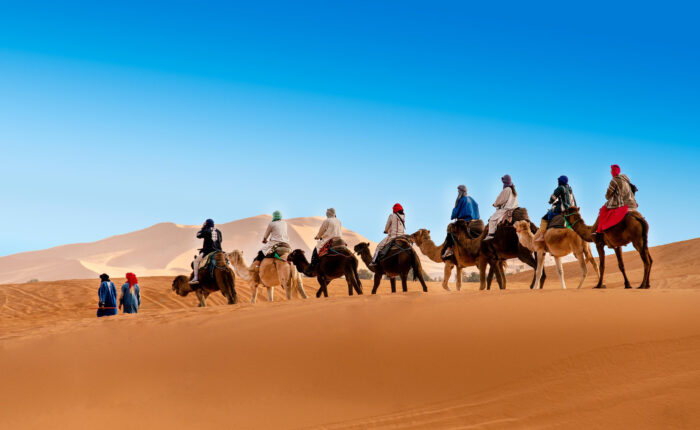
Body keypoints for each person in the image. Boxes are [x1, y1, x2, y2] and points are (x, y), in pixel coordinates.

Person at [594, 164, 638, 234]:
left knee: (603, 210)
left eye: (612, 170)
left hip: (623, 204)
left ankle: (599, 232)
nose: (611, 172)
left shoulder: (614, 180)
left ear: (614, 171)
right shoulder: (626, 179)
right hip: (633, 204)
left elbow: (608, 196)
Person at [535, 175, 577, 242]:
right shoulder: (570, 190)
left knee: (544, 218)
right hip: (570, 210)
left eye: (559, 180)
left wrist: (550, 201)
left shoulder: (560, 188)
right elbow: (574, 201)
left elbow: (553, 197)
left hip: (561, 209)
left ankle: (542, 236)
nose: (558, 181)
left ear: (560, 181)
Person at [442, 185, 480, 258]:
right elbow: (477, 207)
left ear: (461, 192)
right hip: (475, 221)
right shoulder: (472, 199)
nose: (458, 192)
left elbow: (456, 211)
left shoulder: (461, 199)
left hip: (465, 221)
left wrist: (452, 216)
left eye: (458, 191)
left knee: (450, 227)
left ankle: (449, 249)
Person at [305, 208, 342, 276]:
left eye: (327, 212)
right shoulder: (338, 221)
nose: (326, 213)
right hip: (339, 240)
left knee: (316, 250)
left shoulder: (327, 220)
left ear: (329, 213)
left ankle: (312, 267)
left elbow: (321, 230)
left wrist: (318, 236)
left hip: (330, 240)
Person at [484, 175, 519, 241]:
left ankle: (491, 234)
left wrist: (495, 204)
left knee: (492, 219)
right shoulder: (513, 190)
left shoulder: (507, 189)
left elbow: (500, 200)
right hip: (515, 209)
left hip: (507, 209)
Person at [370, 203, 406, 268]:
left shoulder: (392, 216)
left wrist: (386, 231)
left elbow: (387, 226)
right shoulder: (403, 216)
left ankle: (373, 261)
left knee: (379, 246)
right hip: (402, 236)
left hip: (393, 236)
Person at [190, 219, 223, 285]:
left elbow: (198, 235)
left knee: (196, 261)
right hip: (219, 252)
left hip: (208, 251)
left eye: (205, 223)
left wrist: (203, 227)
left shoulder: (206, 230)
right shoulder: (218, 231)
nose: (204, 223)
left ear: (207, 223)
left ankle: (195, 278)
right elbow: (220, 240)